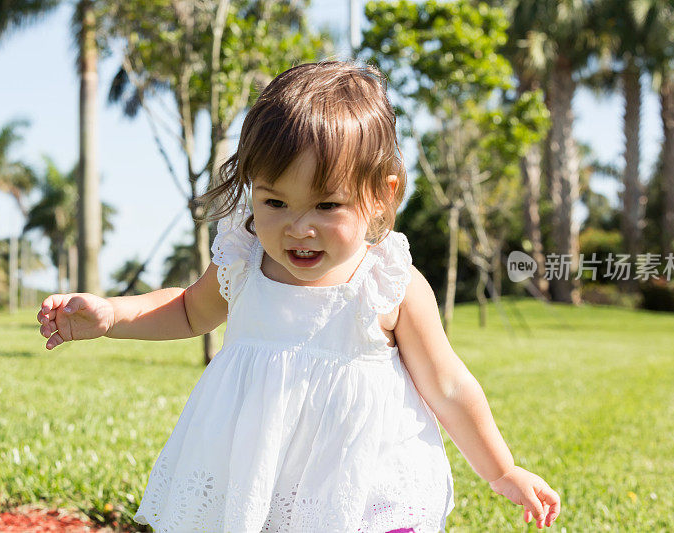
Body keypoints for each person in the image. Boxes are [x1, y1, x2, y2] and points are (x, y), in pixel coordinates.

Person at [37, 60, 561, 533]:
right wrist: (112, 314)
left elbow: (447, 385)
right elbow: (187, 309)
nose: (298, 227)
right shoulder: (243, 263)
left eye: (327, 204)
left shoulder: (387, 281)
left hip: (366, 490)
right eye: (275, 201)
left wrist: (502, 469)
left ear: (383, 194)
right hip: (258, 482)